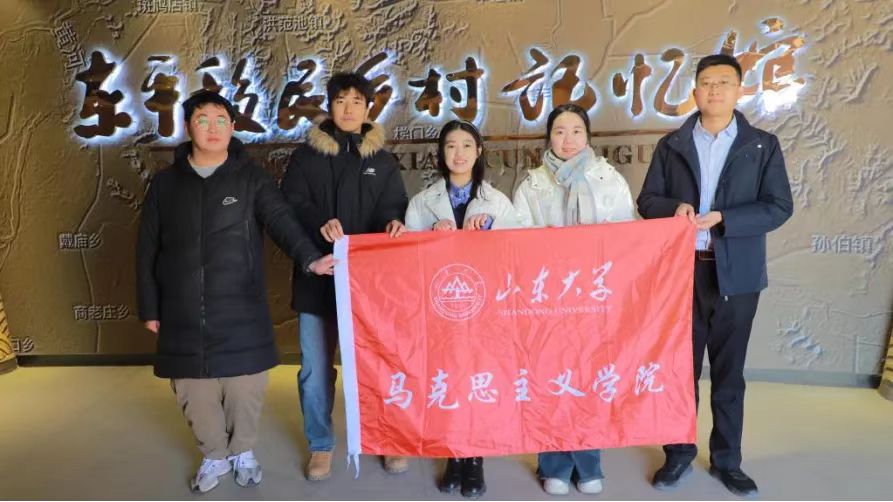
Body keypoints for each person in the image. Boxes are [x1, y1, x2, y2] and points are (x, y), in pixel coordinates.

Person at [136, 90, 335, 493]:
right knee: (194, 391)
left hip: (241, 306)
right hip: (182, 310)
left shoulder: (251, 178)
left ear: (232, 127)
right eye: (202, 119)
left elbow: (282, 221)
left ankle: (243, 451)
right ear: (188, 127)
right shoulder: (165, 184)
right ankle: (213, 455)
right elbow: (146, 249)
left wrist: (311, 260)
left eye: (220, 120)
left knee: (245, 389)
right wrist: (149, 307)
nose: (212, 128)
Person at [637, 54, 793, 497]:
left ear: (739, 90)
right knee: (679, 373)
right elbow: (647, 200)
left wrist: (726, 218)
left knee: (729, 374)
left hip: (736, 276)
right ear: (695, 91)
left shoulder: (761, 144)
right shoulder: (672, 144)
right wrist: (674, 209)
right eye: (706, 82)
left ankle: (727, 461)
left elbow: (779, 206)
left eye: (724, 82)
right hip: (680, 274)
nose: (715, 89)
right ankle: (678, 455)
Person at [281, 72, 409, 481]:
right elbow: (290, 205)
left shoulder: (382, 161)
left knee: (378, 365)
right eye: (340, 101)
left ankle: (386, 438)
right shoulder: (305, 157)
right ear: (330, 106)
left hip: (371, 287)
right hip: (318, 279)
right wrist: (319, 223)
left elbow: (394, 205)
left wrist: (394, 222)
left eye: (357, 101)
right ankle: (321, 444)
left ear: (368, 108)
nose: (349, 108)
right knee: (315, 370)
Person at [513, 103, 636, 496]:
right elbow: (515, 238)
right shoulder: (532, 183)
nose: (568, 140)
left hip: (594, 296)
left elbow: (628, 234)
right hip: (549, 297)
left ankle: (589, 464)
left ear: (588, 136)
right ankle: (554, 464)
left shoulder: (608, 179)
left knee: (590, 378)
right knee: (551, 379)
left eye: (576, 131)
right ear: (548, 137)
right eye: (559, 131)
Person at [405, 119, 521, 498]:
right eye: (451, 146)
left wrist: (489, 231)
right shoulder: (421, 202)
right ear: (441, 153)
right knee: (446, 380)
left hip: (485, 311)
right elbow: (408, 261)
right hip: (441, 309)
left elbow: (518, 253)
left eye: (467, 145)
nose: (459, 153)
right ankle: (452, 455)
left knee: (477, 381)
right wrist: (429, 237)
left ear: (478, 152)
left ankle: (474, 459)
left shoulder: (497, 202)